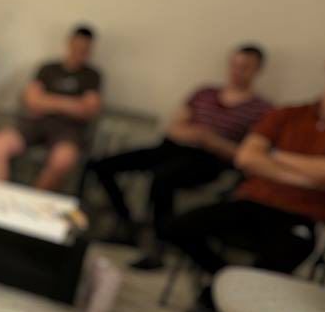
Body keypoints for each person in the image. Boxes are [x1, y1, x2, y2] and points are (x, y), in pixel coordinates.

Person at [164, 41, 325, 312]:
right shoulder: (287, 114)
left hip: (302, 216)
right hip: (253, 201)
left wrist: (277, 156)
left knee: (282, 257)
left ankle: (214, 300)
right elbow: (247, 157)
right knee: (177, 226)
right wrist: (309, 177)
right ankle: (224, 281)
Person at [91, 44, 273, 269]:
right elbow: (174, 127)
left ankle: (156, 246)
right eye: (235, 65)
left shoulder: (261, 109)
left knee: (163, 179)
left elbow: (247, 155)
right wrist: (194, 134)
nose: (237, 71)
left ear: (257, 70)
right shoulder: (205, 93)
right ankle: (127, 223)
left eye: (245, 67)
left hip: (210, 161)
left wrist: (212, 141)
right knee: (101, 166)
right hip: (173, 148)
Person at [0, 24, 103, 191]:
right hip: (35, 123)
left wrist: (48, 101)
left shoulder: (92, 76)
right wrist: (70, 103)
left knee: (63, 160)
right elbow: (31, 100)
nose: (79, 52)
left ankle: (33, 200)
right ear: (69, 43)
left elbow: (87, 110)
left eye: (84, 49)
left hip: (68, 132)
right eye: (77, 46)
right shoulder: (48, 69)